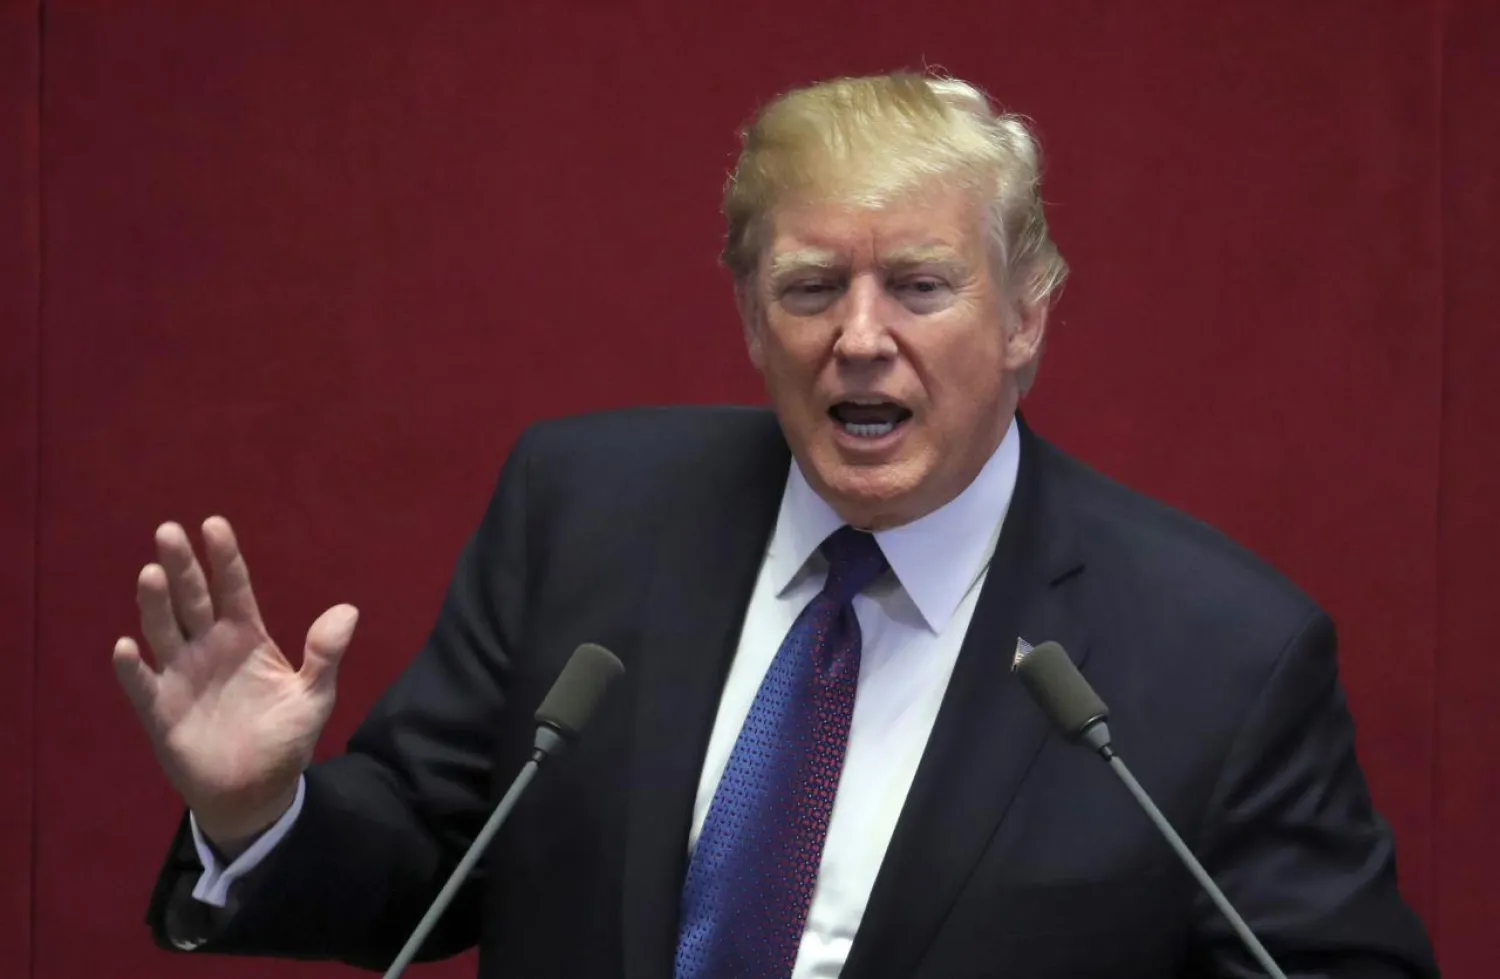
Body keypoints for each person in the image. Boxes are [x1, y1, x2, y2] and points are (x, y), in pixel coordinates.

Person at [115, 72, 1439, 978]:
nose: (862, 339)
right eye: (812, 287)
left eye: (920, 284)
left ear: (1026, 315)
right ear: (752, 316)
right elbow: (418, 850)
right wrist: (259, 807)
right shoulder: (587, 511)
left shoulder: (1222, 652)